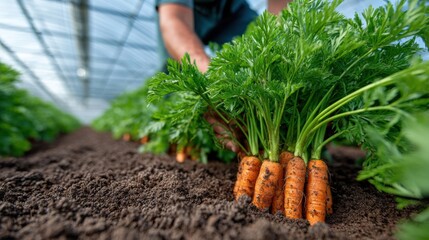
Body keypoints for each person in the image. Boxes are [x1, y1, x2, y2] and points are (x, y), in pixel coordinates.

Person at [155, 0, 291, 152]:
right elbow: (174, 19)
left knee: (255, 46)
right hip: (185, 8)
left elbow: (281, 13)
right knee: (177, 75)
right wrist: (213, 84)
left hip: (232, 8)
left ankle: (252, 142)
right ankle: (176, 138)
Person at [156, 0, 291, 72]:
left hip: (229, 6)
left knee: (256, 43)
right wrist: (211, 78)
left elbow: (280, 10)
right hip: (180, 9)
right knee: (177, 69)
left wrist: (279, 52)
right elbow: (175, 19)